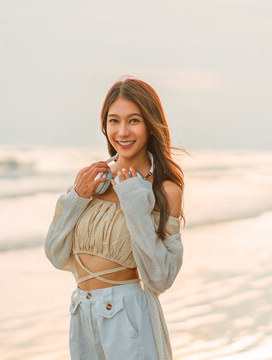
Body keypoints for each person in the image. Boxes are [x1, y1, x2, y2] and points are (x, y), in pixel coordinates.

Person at [45, 76, 186, 360]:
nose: (122, 132)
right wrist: (76, 197)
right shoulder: (92, 180)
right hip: (82, 311)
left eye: (133, 120)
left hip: (128, 317)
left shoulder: (166, 189)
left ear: (150, 124)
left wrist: (135, 202)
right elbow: (56, 254)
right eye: (114, 121)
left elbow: (160, 278)